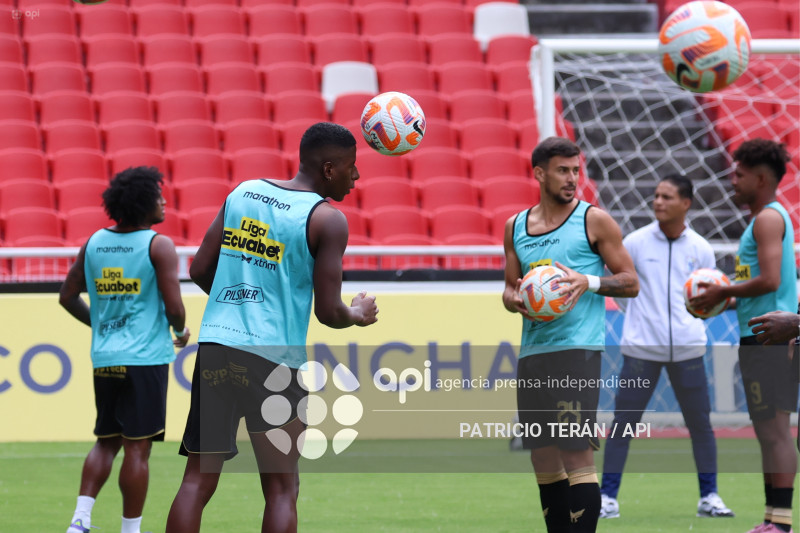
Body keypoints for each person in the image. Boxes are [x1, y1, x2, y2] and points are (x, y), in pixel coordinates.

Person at [165, 122, 379, 533]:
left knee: (197, 480)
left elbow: (198, 269)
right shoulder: (327, 220)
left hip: (216, 349)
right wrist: (358, 313)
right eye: (352, 167)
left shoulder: (243, 193)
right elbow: (328, 313)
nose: (356, 177)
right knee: (282, 488)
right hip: (274, 361)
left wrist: (240, 298)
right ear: (330, 168)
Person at [502, 136, 639, 533]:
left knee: (576, 454)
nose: (572, 178)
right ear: (540, 173)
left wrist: (588, 282)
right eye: (563, 170)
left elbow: (631, 282)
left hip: (576, 352)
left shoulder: (592, 220)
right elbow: (509, 288)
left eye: (576, 170)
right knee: (542, 459)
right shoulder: (516, 226)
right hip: (532, 354)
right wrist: (517, 299)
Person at [59, 166, 191, 533]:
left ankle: (80, 520)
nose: (164, 200)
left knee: (105, 442)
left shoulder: (94, 243)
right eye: (158, 195)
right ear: (142, 202)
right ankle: (130, 530)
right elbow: (174, 307)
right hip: (145, 359)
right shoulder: (157, 244)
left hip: (105, 359)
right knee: (137, 449)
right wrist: (180, 330)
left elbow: (67, 296)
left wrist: (100, 325)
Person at [598, 175, 734, 519]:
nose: (657, 202)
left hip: (689, 349)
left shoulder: (701, 247)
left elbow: (708, 298)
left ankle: (710, 497)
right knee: (623, 425)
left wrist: (688, 324)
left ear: (686, 203)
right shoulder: (636, 242)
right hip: (641, 350)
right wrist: (643, 323)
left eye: (667, 197)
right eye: (656, 196)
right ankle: (607, 498)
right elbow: (623, 290)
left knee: (700, 425)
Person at [690, 138, 798, 533]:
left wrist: (723, 292)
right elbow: (766, 285)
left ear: (761, 177)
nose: (732, 180)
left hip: (773, 339)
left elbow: (769, 279)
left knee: (775, 432)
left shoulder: (769, 218)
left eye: (738, 174)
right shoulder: (762, 220)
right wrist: (724, 302)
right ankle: (772, 518)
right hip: (759, 336)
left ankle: (782, 523)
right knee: (766, 433)